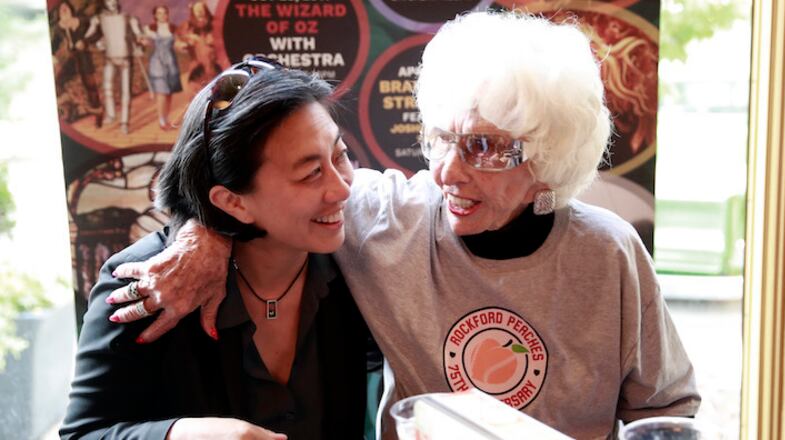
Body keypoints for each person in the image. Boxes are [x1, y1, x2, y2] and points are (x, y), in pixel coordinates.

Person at [107, 12, 701, 439]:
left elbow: (666, 410)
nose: (446, 171)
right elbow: (250, 184)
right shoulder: (385, 216)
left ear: (550, 161)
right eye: (442, 137)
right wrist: (202, 235)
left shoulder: (609, 251)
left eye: (484, 147)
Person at [60, 57, 374, 439]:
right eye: (310, 173)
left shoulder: (361, 258)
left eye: (339, 156)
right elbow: (84, 434)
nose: (342, 189)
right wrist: (184, 434)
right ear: (233, 202)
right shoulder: (148, 282)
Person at [83, 0, 143, 134]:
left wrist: (139, 41)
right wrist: (97, 39)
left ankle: (124, 122)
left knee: (125, 91)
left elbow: (138, 34)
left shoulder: (128, 17)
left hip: (125, 58)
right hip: (110, 57)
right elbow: (88, 34)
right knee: (107, 88)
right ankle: (111, 115)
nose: (112, 3)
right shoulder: (99, 18)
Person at [51, 0, 103, 127]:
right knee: (59, 81)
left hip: (84, 57)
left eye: (66, 7)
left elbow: (97, 33)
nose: (64, 10)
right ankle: (71, 104)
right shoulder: (59, 27)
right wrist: (53, 56)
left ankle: (98, 114)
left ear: (70, 9)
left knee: (91, 86)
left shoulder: (82, 21)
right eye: (61, 8)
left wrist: (84, 42)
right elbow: (54, 44)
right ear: (58, 12)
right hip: (71, 59)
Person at [142, 5, 183, 130]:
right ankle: (161, 121)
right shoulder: (150, 29)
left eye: (164, 13)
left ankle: (167, 118)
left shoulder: (173, 28)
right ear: (155, 15)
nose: (162, 15)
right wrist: (143, 42)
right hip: (158, 63)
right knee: (161, 93)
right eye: (159, 13)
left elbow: (177, 43)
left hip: (171, 62)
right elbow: (145, 41)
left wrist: (182, 46)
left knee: (169, 93)